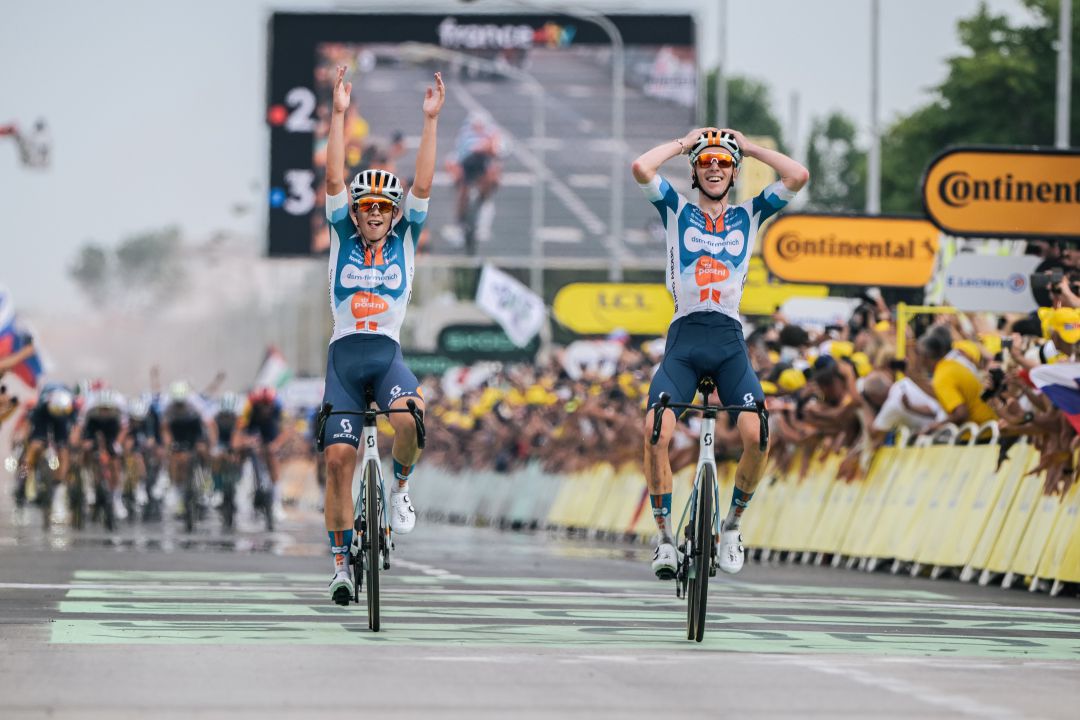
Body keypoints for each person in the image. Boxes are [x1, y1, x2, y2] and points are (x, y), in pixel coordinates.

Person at [631, 127, 809, 579]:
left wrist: (747, 147)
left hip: (729, 340)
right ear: (695, 170)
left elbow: (798, 174)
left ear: (734, 174)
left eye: (724, 163)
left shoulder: (751, 213)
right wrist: (685, 142)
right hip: (685, 339)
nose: (715, 167)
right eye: (707, 162)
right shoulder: (676, 210)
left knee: (758, 434)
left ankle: (731, 526)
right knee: (655, 430)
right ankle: (666, 538)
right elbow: (642, 168)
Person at [319, 65, 444, 606]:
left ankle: (400, 489)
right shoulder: (341, 231)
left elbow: (423, 182)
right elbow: (330, 179)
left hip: (386, 354)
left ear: (394, 214)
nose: (372, 213)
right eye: (365, 206)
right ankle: (342, 563)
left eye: (381, 208)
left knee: (411, 415)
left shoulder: (407, 236)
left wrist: (429, 120)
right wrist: (341, 113)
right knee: (336, 463)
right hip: (345, 357)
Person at [235, 386, 286, 520]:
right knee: (240, 453)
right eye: (262, 406)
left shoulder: (278, 406)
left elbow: (288, 429)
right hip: (253, 429)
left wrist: (276, 444)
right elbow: (239, 429)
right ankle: (237, 492)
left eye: (268, 406)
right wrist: (246, 441)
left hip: (270, 431)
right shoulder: (250, 406)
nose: (265, 409)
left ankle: (276, 503)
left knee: (273, 460)